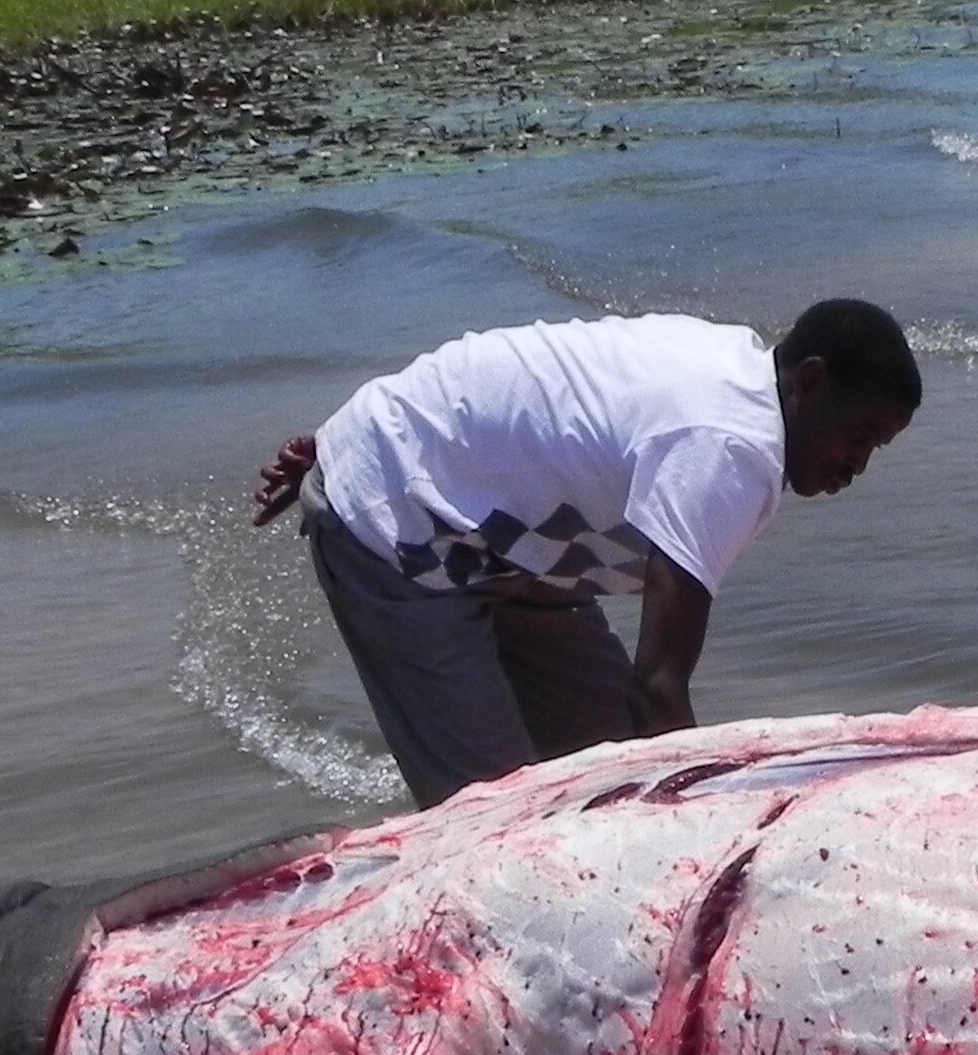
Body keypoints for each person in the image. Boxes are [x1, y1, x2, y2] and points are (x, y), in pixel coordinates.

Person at [254, 301, 922, 807]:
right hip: (402, 529)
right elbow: (658, 689)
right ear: (808, 383)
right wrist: (715, 831)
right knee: (497, 818)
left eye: (877, 447)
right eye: (855, 434)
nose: (857, 463)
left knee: (611, 774)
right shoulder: (729, 445)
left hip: (516, 551)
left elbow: (550, 386)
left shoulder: (738, 378)